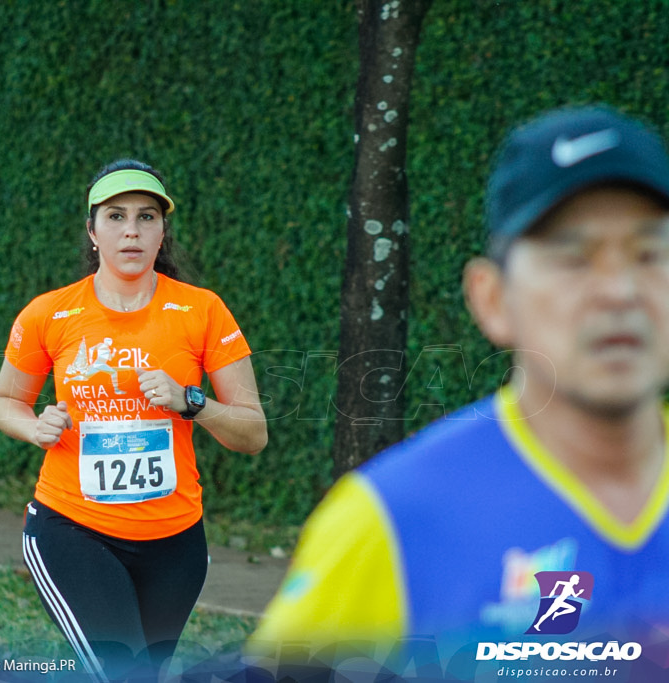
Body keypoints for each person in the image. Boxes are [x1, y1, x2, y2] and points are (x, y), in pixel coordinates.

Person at [249, 105, 669, 674]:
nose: (619, 291)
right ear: (492, 299)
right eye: (573, 258)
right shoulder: (393, 522)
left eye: (649, 254)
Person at [0, 159, 267, 681]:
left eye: (146, 217)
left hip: (176, 542)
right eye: (115, 217)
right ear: (92, 232)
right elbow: (4, 400)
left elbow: (253, 432)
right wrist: (33, 427)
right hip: (74, 529)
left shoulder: (202, 311)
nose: (132, 231)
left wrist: (192, 401)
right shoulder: (50, 314)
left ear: (163, 233)